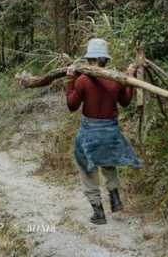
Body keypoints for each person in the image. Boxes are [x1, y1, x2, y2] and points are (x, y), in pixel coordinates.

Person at [66, 38, 142, 225]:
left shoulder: (82, 80)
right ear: (106, 59)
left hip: (90, 133)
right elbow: (125, 102)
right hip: (110, 132)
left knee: (87, 168)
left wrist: (70, 81)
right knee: (108, 162)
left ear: (89, 58)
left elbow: (71, 105)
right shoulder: (115, 79)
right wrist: (129, 81)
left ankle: (98, 212)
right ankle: (115, 198)